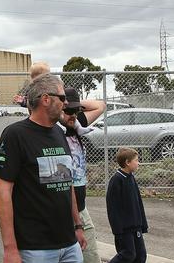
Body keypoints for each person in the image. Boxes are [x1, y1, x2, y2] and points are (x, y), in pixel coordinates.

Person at [0, 74, 86, 263]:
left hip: (69, 244)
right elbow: (3, 192)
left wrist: (77, 226)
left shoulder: (60, 133)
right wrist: (10, 249)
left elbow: (67, 185)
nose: (65, 103)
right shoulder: (15, 134)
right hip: (35, 248)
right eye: (61, 98)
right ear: (45, 99)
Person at [60, 88, 106, 263]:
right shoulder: (54, 128)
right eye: (68, 110)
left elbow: (100, 106)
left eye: (76, 111)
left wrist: (73, 106)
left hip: (80, 205)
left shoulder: (76, 123)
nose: (72, 115)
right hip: (64, 208)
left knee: (90, 255)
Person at [106, 148, 148, 263]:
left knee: (141, 256)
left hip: (136, 226)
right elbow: (112, 208)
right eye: (136, 160)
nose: (138, 162)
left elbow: (138, 202)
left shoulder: (131, 177)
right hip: (124, 229)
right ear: (127, 162)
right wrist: (117, 230)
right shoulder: (116, 180)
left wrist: (142, 224)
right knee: (128, 254)